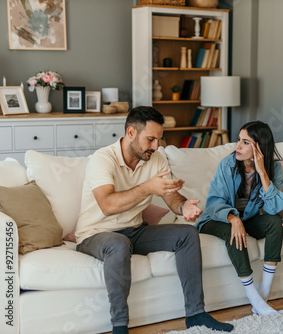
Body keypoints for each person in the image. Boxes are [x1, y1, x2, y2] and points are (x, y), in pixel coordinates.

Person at [75, 106, 233, 334]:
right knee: (118, 244)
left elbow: (171, 196)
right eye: (150, 139)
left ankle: (196, 314)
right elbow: (108, 205)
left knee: (187, 234)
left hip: (135, 231)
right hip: (95, 234)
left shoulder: (155, 158)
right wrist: (148, 187)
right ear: (131, 133)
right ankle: (120, 327)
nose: (155, 146)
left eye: (158, 140)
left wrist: (183, 205)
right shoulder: (103, 159)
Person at [195, 121, 283, 315]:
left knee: (275, 223)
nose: (237, 146)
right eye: (238, 140)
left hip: (247, 219)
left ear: (259, 147)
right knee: (232, 231)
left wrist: (262, 173)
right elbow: (213, 203)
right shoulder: (227, 165)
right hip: (216, 220)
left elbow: (274, 208)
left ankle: (264, 293)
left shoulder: (273, 168)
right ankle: (253, 296)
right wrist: (234, 219)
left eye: (245, 142)